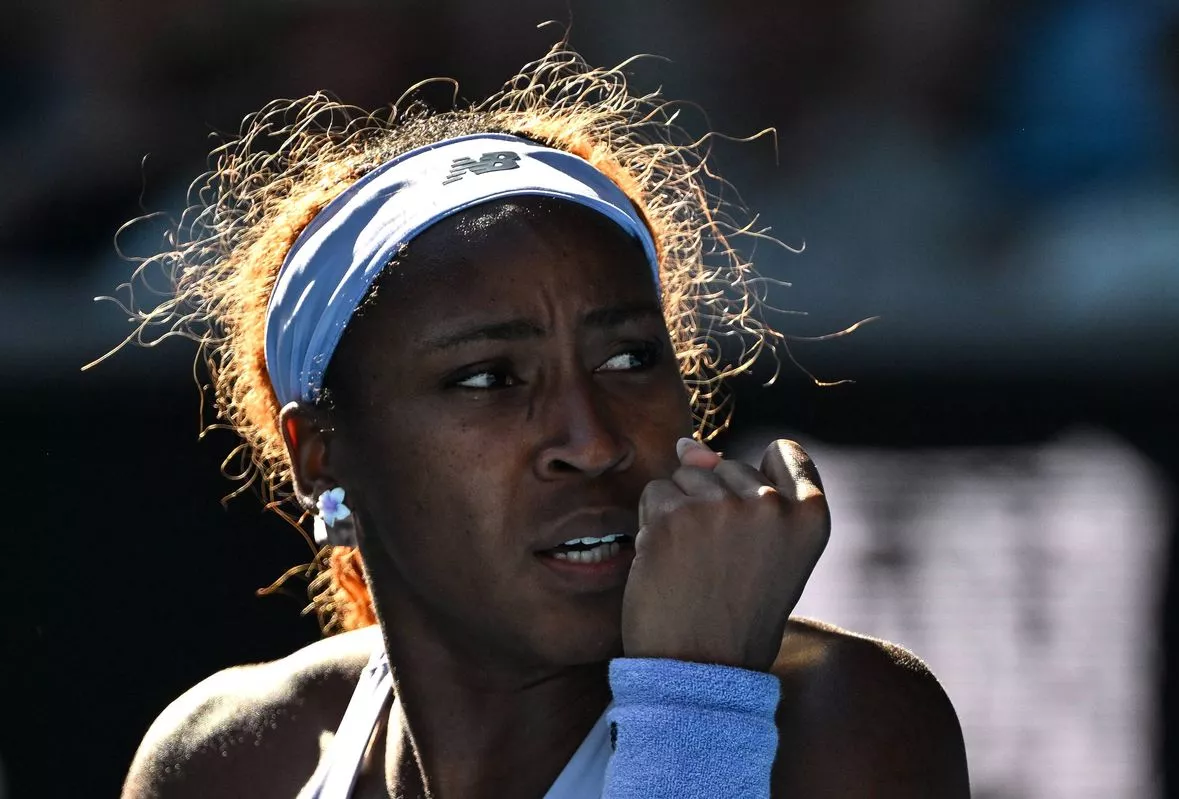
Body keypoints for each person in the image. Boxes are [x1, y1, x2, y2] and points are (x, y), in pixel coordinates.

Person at [110, 44, 970, 798]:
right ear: (321, 455)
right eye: (488, 377)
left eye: (630, 359)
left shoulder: (847, 720)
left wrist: (695, 699)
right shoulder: (224, 762)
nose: (592, 441)